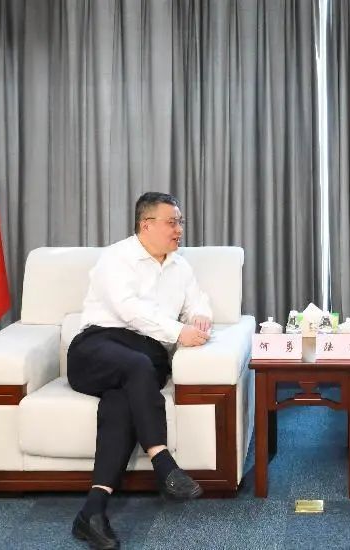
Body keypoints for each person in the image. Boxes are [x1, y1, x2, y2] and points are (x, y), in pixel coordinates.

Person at [67, 192, 213, 550]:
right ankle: (163, 463)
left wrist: (199, 317)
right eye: (172, 222)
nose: (179, 229)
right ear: (146, 225)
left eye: (180, 222)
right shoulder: (116, 258)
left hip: (145, 359)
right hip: (98, 348)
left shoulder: (180, 266)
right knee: (137, 366)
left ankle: (92, 512)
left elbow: (198, 301)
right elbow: (129, 311)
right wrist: (178, 332)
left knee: (120, 403)